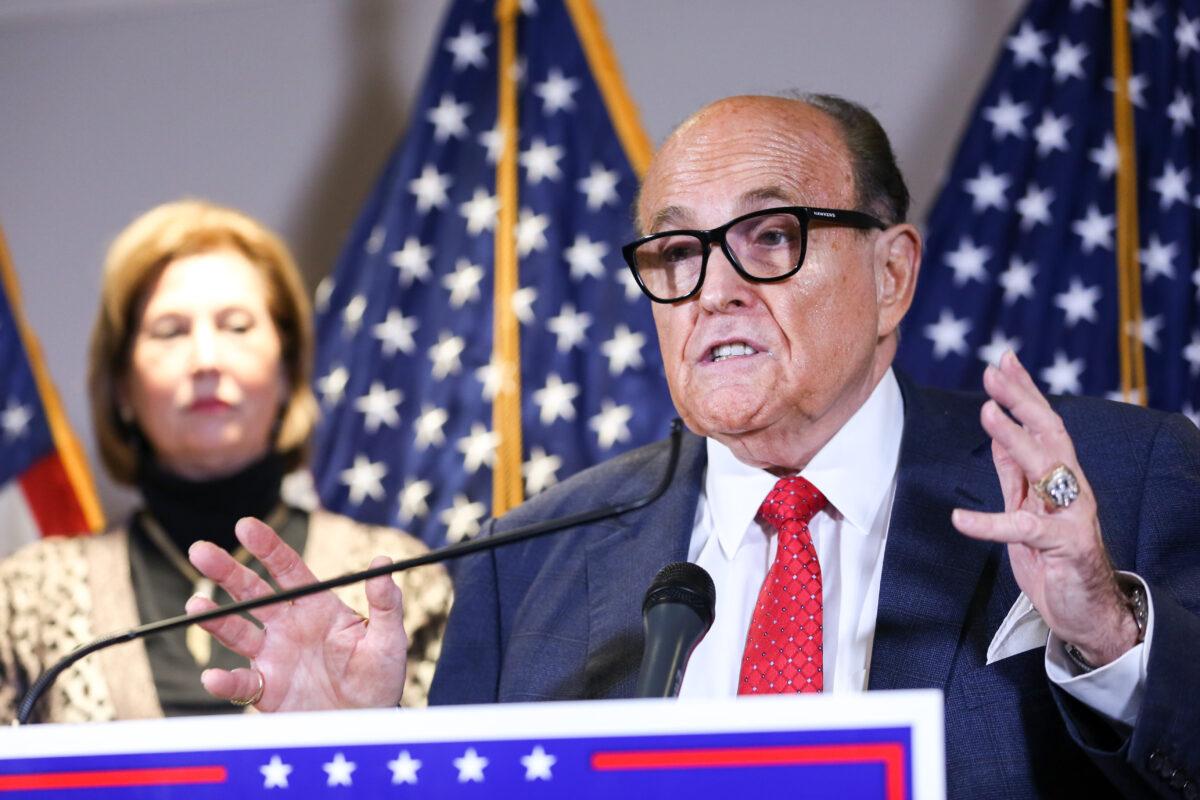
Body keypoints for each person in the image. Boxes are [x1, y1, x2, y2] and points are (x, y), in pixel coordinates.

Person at [188, 97, 1200, 798]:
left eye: (770, 236)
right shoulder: (525, 559)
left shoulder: (1111, 482)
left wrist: (1108, 639)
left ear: (892, 274)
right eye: (677, 251)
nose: (714, 287)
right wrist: (356, 760)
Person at [0, 200, 451, 724]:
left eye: (236, 326)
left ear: (287, 372)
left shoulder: (397, 583)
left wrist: (369, 729)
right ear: (122, 386)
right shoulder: (26, 597)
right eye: (170, 331)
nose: (206, 360)